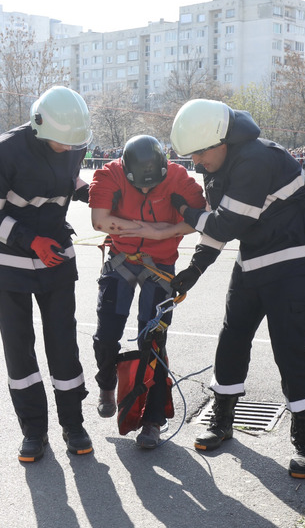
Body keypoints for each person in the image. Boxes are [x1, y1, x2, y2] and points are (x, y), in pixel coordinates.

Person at [167, 99, 305, 479]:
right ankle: (223, 418)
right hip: (256, 260)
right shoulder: (221, 164)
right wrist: (195, 269)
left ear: (219, 140)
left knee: (290, 349)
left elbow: (224, 224)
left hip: (294, 262)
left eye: (198, 153)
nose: (195, 162)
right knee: (232, 338)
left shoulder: (257, 158)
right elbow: (222, 226)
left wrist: (184, 212)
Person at [0, 86, 95, 462]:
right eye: (60, 143)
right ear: (39, 125)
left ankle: (73, 424)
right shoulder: (3, 151)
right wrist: (29, 240)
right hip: (9, 263)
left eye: (73, 145)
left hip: (55, 257)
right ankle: (33, 431)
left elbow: (63, 181)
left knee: (63, 345)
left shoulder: (72, 142)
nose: (67, 149)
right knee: (19, 349)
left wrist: (95, 193)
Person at [88, 134, 206, 449]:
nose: (143, 191)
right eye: (138, 186)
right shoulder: (109, 173)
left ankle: (152, 420)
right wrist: (146, 229)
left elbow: (204, 219)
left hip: (161, 264)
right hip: (121, 260)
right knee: (106, 333)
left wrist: (166, 231)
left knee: (153, 339)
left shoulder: (179, 178)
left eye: (150, 187)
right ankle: (106, 385)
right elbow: (99, 221)